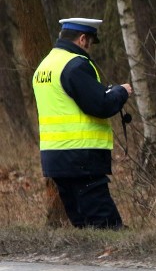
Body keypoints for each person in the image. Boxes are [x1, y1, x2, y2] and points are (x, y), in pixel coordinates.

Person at [32, 18, 133, 229]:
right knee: (106, 227)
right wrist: (121, 92)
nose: (89, 49)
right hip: (81, 157)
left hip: (56, 158)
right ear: (82, 39)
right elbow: (101, 105)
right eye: (90, 43)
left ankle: (89, 262)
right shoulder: (75, 65)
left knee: (84, 228)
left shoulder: (45, 65)